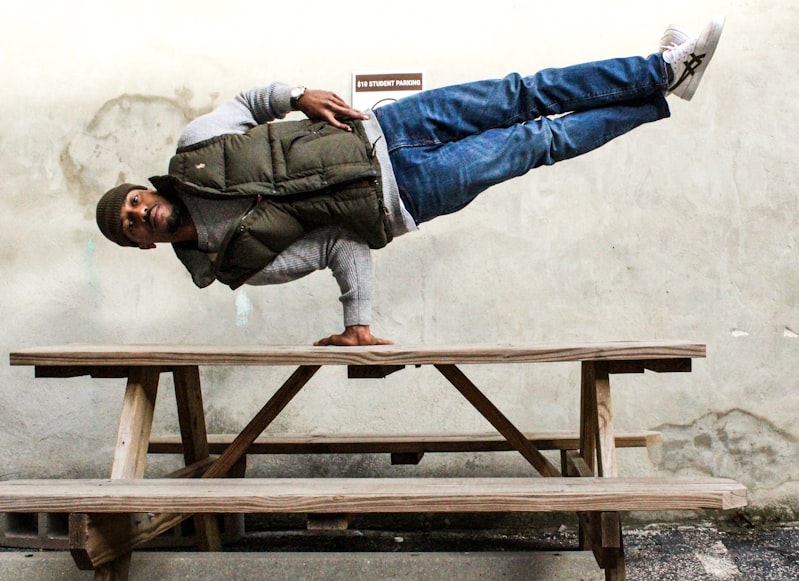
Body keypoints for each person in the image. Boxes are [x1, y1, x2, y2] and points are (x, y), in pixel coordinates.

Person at [94, 17, 725, 346]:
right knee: (541, 139)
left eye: (133, 202)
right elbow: (338, 248)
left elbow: (250, 101)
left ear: (143, 191)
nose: (139, 215)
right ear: (143, 245)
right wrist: (358, 319)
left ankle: (661, 68)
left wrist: (297, 94)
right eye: (130, 227)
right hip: (409, 192)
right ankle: (659, 89)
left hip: (385, 126)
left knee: (522, 91)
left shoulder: (193, 148)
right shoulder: (232, 263)